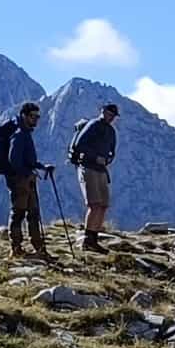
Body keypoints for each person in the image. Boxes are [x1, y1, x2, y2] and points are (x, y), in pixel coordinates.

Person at [3, 101, 53, 261]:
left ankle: (39, 248)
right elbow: (14, 161)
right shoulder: (19, 135)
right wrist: (27, 174)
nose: (36, 120)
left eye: (38, 117)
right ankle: (16, 249)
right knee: (19, 213)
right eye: (33, 116)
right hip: (20, 181)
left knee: (33, 214)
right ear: (24, 115)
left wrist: (42, 167)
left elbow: (28, 160)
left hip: (26, 179)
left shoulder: (25, 133)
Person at [70, 102, 119, 253]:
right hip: (88, 167)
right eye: (109, 114)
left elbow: (112, 152)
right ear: (102, 111)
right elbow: (79, 145)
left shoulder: (111, 131)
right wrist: (95, 157)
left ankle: (94, 239)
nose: (111, 117)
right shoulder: (93, 125)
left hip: (101, 170)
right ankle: (87, 240)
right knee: (94, 205)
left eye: (113, 115)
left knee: (103, 205)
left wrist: (107, 160)